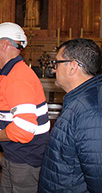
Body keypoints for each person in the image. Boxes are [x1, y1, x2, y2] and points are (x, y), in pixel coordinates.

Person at [0, 22, 50, 193]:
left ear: (4, 44)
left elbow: (25, 129)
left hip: (25, 159)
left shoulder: (18, 77)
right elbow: (13, 115)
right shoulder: (10, 73)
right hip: (15, 155)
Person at [39, 38, 102, 192]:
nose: (54, 69)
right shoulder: (81, 100)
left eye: (57, 63)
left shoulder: (90, 110)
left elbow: (97, 176)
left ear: (73, 67)